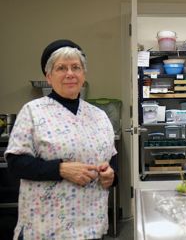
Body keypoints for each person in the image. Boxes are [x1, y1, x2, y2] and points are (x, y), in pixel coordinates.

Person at [5, 39, 117, 240]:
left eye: (76, 67)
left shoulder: (99, 115)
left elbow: (112, 160)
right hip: (45, 226)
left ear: (83, 74)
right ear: (48, 77)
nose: (70, 74)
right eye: (61, 68)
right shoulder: (32, 112)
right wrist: (60, 169)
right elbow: (16, 163)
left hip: (91, 224)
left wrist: (111, 175)